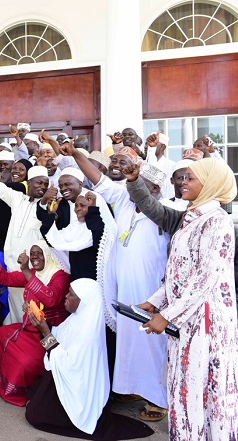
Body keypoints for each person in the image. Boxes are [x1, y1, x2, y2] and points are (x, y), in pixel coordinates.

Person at [61, 144, 170, 420]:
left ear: (154, 189)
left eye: (140, 185)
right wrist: (75, 154)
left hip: (152, 291)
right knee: (130, 340)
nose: (134, 189)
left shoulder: (165, 212)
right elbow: (99, 179)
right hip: (125, 287)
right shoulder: (123, 198)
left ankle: (158, 399)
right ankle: (133, 388)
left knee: (153, 344)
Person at [139, 158, 238, 439]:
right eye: (183, 178)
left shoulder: (217, 222)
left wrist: (167, 314)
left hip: (206, 323)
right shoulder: (192, 217)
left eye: (191, 178)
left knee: (200, 396)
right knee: (183, 394)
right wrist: (155, 300)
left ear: (210, 185)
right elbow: (181, 270)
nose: (183, 182)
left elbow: (205, 277)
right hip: (186, 318)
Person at [25, 279, 154, 440]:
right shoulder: (76, 319)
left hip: (78, 391)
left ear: (84, 302)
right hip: (67, 378)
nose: (66, 296)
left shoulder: (88, 335)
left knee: (34, 416)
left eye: (71, 295)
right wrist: (39, 321)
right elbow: (59, 340)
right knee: (34, 399)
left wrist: (45, 331)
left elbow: (69, 365)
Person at [0, 142, 48, 324]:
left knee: (32, 315)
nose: (42, 187)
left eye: (45, 184)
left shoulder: (46, 208)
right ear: (29, 183)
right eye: (39, 183)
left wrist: (45, 202)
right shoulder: (17, 198)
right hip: (12, 267)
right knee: (14, 314)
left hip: (31, 271)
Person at [0, 240, 70, 406]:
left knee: (25, 361)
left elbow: (51, 299)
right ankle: (0, 385)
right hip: (28, 330)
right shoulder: (33, 273)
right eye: (32, 254)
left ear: (48, 254)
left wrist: (26, 271)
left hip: (48, 335)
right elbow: (5, 278)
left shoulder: (60, 276)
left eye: (39, 253)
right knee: (2, 333)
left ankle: (22, 393)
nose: (35, 257)